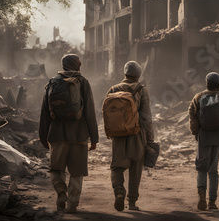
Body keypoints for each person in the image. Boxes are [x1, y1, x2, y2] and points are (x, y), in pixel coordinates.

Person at [39, 54, 99, 213]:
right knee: (77, 171)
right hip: (79, 135)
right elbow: (90, 112)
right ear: (76, 65)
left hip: (57, 134)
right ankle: (72, 203)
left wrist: (43, 136)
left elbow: (44, 112)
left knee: (55, 170)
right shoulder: (83, 82)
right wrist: (94, 138)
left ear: (63, 65)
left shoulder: (52, 82)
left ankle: (61, 193)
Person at [107, 61, 154, 211]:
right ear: (138, 74)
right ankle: (132, 202)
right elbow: (146, 116)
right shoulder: (141, 89)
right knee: (136, 168)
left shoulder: (113, 89)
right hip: (137, 134)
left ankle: (119, 191)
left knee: (116, 167)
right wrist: (150, 140)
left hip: (119, 135)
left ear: (125, 73)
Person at [188, 72, 219, 210]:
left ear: (206, 83)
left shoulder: (199, 97)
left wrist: (196, 131)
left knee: (202, 168)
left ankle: (202, 196)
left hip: (204, 135)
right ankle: (212, 202)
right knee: (213, 170)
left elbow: (192, 114)